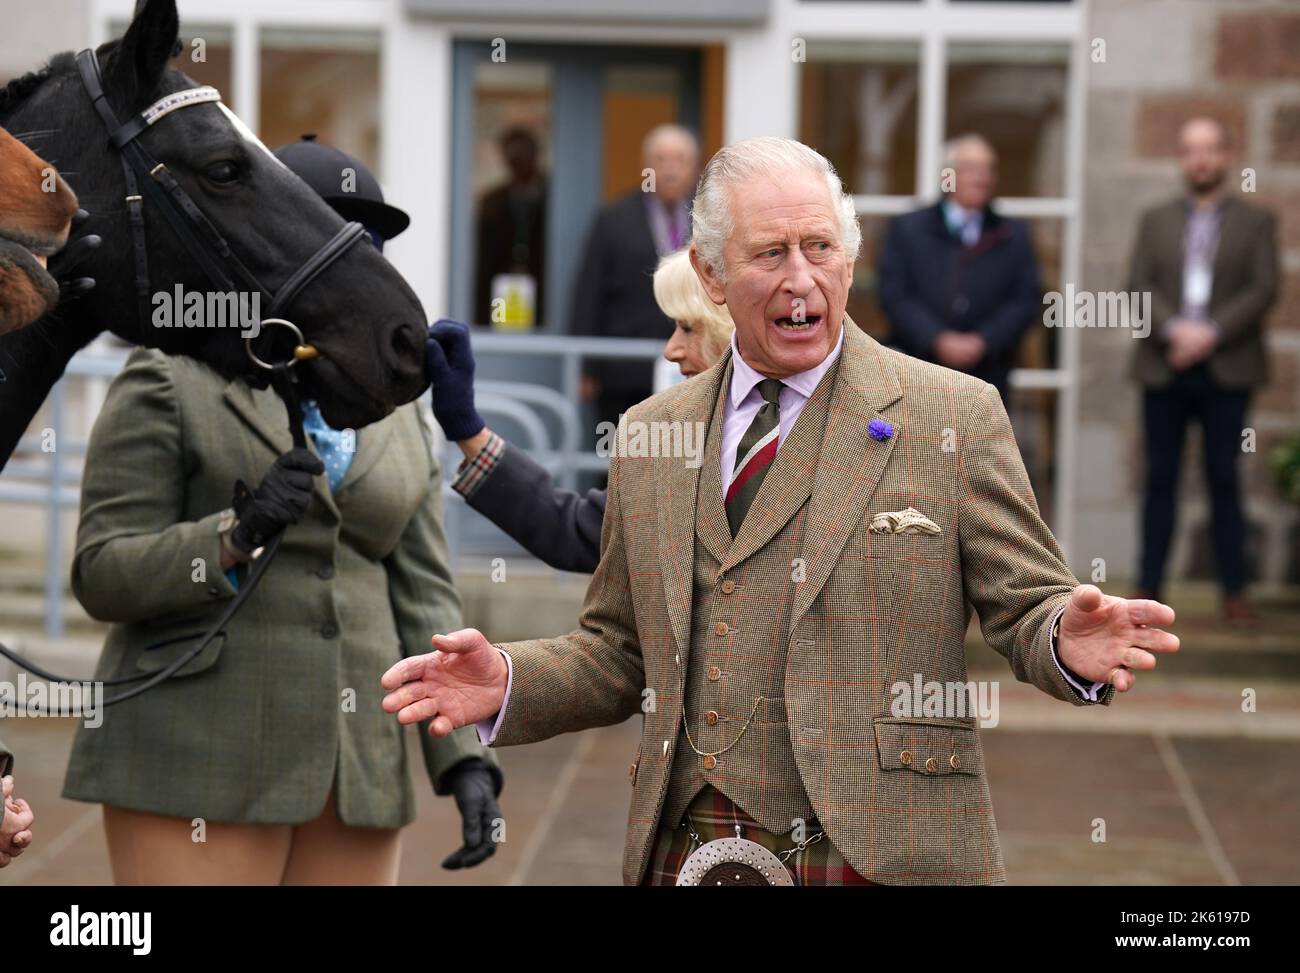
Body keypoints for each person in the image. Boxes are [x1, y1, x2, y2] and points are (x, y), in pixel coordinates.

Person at [382, 137, 1181, 886]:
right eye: (770, 253)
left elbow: (1027, 604)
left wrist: (1064, 639)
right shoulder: (651, 432)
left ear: (849, 260)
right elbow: (618, 649)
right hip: (689, 840)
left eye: (820, 247)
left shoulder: (953, 414)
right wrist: (509, 680)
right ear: (711, 273)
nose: (802, 278)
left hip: (885, 846)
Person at [61, 136, 502, 885]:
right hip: (198, 760)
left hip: (357, 771)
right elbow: (101, 573)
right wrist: (233, 536)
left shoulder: (397, 405)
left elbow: (424, 594)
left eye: (371, 243)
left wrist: (464, 757)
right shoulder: (170, 375)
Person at [428, 248, 734, 574]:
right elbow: (579, 529)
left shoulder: (762, 442)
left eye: (687, 327)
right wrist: (468, 430)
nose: (670, 350)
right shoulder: (686, 438)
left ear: (729, 329)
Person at [1128, 116, 1279, 624]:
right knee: (1160, 478)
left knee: (1223, 477)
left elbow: (1263, 288)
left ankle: (1235, 592)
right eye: (1191, 149)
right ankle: (1148, 588)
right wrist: (1176, 331)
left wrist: (1208, 333)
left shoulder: (1256, 221)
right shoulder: (1155, 219)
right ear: (1181, 157)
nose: (1200, 159)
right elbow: (1138, 284)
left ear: (1227, 155)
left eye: (1210, 149)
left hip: (1227, 368)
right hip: (1164, 365)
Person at [877, 133, 1041, 400]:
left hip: (989, 377)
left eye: (988, 169)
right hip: (918, 371)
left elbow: (1025, 300)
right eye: (971, 169)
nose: (981, 178)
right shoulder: (909, 229)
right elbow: (894, 294)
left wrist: (984, 340)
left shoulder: (1012, 234)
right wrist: (936, 338)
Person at [572, 124, 700, 430]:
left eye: (680, 159)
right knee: (623, 450)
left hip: (693, 367)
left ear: (694, 168)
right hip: (623, 371)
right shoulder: (613, 219)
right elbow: (588, 293)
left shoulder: (708, 219)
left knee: (682, 451)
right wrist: (586, 367)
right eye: (661, 159)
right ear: (646, 167)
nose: (670, 169)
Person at [474, 127, 547, 328]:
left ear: (535, 156)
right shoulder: (493, 202)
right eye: (513, 159)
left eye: (522, 157)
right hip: (501, 289)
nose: (518, 165)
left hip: (543, 292)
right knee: (503, 329)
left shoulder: (555, 199)